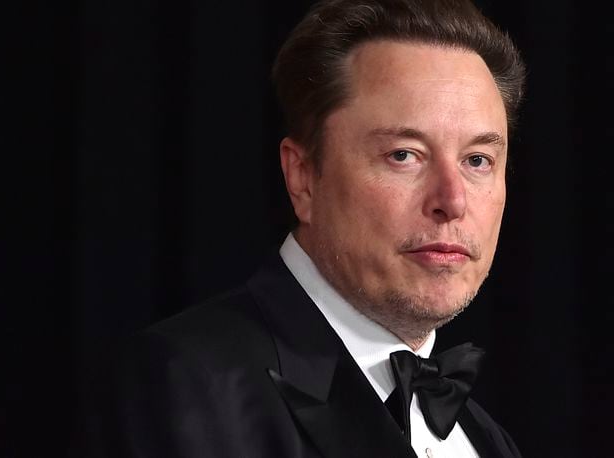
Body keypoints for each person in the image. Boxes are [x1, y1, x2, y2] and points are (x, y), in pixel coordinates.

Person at [102, 0, 526, 456]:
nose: (453, 200)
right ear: (302, 177)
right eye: (404, 154)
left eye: (477, 161)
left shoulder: (489, 442)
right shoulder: (184, 385)